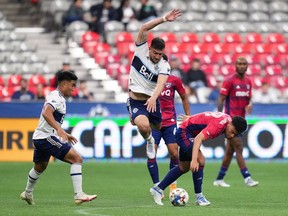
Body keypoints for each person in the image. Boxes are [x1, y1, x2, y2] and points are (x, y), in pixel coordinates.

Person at [20, 71, 97, 205]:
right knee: (77, 159)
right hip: (45, 137)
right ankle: (79, 195)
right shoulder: (56, 97)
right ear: (64, 83)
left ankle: (27, 193)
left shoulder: (58, 97)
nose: (74, 88)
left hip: (40, 137)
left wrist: (63, 133)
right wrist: (59, 130)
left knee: (40, 166)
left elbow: (50, 116)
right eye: (72, 85)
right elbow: (46, 112)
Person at [150, 111, 248, 206]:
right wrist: (194, 160)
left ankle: (158, 189)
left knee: (184, 167)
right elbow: (198, 139)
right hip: (184, 133)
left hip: (188, 132)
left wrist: (192, 118)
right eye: (232, 132)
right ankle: (199, 197)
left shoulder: (228, 118)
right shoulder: (218, 126)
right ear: (230, 124)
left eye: (235, 134)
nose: (231, 135)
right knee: (200, 160)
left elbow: (207, 115)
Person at [126, 9, 182, 160]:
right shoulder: (140, 51)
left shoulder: (164, 64)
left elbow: (161, 83)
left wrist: (153, 98)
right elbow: (144, 27)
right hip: (136, 99)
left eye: (160, 54)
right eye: (155, 53)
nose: (157, 56)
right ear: (149, 49)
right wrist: (164, 18)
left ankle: (137, 119)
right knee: (144, 126)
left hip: (152, 101)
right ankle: (149, 140)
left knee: (158, 126)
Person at [148, 54, 190, 195]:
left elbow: (184, 96)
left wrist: (188, 115)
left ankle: (172, 186)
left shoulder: (174, 80)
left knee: (174, 154)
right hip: (154, 123)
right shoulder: (149, 81)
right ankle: (157, 186)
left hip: (170, 122)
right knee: (151, 153)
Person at [213, 56, 259, 187]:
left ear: (247, 66)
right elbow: (221, 99)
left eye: (244, 64)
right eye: (239, 63)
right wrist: (220, 116)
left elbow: (248, 99)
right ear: (235, 65)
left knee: (230, 151)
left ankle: (219, 179)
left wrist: (250, 104)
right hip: (231, 121)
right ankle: (247, 177)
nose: (241, 66)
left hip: (241, 122)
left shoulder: (249, 82)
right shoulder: (229, 81)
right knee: (239, 147)